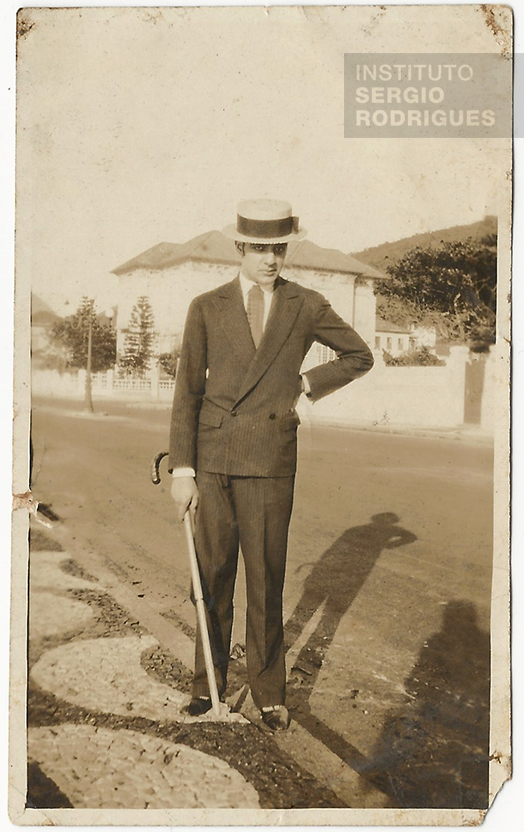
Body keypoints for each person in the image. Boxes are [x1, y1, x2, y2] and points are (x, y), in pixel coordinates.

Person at [169, 199, 374, 731]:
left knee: (265, 581)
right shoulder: (206, 306)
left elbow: (359, 355)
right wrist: (183, 469)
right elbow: (187, 391)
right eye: (259, 248)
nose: (269, 259)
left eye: (278, 248)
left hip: (269, 458)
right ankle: (205, 686)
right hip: (212, 460)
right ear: (241, 248)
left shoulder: (305, 303)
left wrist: (305, 385)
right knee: (212, 579)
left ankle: (268, 693)